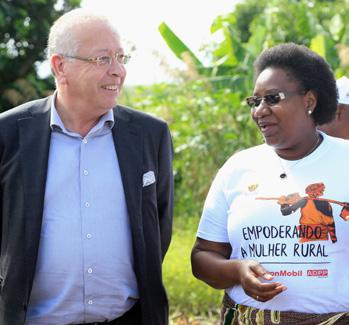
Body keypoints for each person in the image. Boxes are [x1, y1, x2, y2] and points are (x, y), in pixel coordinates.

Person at [0, 8, 173, 325]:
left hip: (128, 318)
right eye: (102, 59)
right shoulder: (8, 134)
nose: (118, 71)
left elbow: (158, 229)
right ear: (60, 66)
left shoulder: (151, 134)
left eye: (121, 58)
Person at [191, 43, 349, 324]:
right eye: (255, 101)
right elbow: (203, 256)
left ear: (309, 101)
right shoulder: (238, 168)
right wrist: (237, 270)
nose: (259, 111)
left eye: (272, 98)